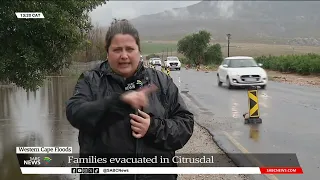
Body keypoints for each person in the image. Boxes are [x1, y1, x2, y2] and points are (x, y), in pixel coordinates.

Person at [65, 19, 194, 180]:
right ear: (107, 52)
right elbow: (75, 113)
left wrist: (153, 127)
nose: (124, 55)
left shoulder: (161, 82)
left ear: (139, 51)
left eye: (130, 49)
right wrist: (119, 103)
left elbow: (185, 124)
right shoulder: (91, 80)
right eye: (117, 49)